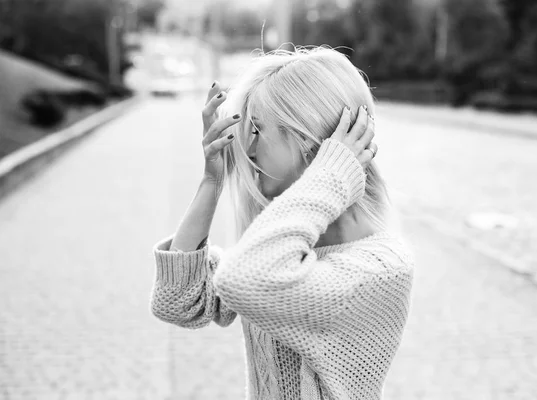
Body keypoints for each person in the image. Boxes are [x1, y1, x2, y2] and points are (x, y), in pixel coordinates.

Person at [150, 46, 414, 400]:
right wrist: (213, 181)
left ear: (306, 139)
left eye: (256, 130)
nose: (247, 148)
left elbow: (245, 277)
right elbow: (179, 300)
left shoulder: (380, 269)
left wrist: (331, 174)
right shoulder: (288, 244)